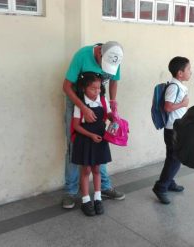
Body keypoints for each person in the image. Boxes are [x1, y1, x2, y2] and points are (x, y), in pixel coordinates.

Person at [62, 41, 125, 209]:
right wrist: (82, 108)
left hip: (99, 104)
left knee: (99, 143)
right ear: (99, 54)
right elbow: (66, 87)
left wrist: (112, 105)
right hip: (77, 102)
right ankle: (70, 192)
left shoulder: (115, 57)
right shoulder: (82, 56)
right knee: (75, 145)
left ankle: (104, 187)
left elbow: (113, 82)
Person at [72, 72, 113, 216]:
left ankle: (98, 198)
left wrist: (115, 116)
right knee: (86, 170)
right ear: (84, 89)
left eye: (99, 88)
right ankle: (85, 200)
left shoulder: (102, 100)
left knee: (97, 169)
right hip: (85, 139)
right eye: (93, 89)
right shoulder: (81, 104)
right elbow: (76, 126)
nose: (97, 92)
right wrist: (90, 135)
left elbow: (109, 115)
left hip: (100, 139)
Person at [152, 56, 191, 204]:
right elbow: (167, 107)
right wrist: (183, 104)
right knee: (175, 159)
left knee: (172, 158)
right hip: (173, 129)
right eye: (188, 69)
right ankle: (161, 187)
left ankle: (169, 182)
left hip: (176, 127)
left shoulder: (178, 85)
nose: (190, 72)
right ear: (180, 73)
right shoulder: (174, 87)